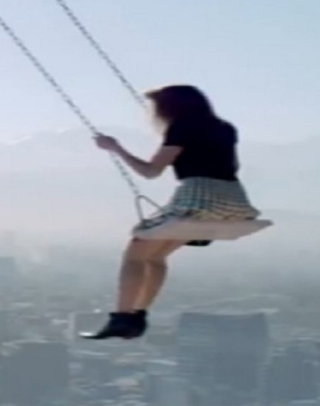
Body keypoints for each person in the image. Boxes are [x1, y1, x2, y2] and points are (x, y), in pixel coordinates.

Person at [81, 84, 261, 340]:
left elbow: (150, 172)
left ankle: (123, 318)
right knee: (155, 256)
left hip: (198, 198)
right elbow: (232, 165)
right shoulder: (225, 128)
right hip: (234, 200)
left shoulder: (181, 127)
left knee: (135, 253)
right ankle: (138, 314)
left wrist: (115, 147)